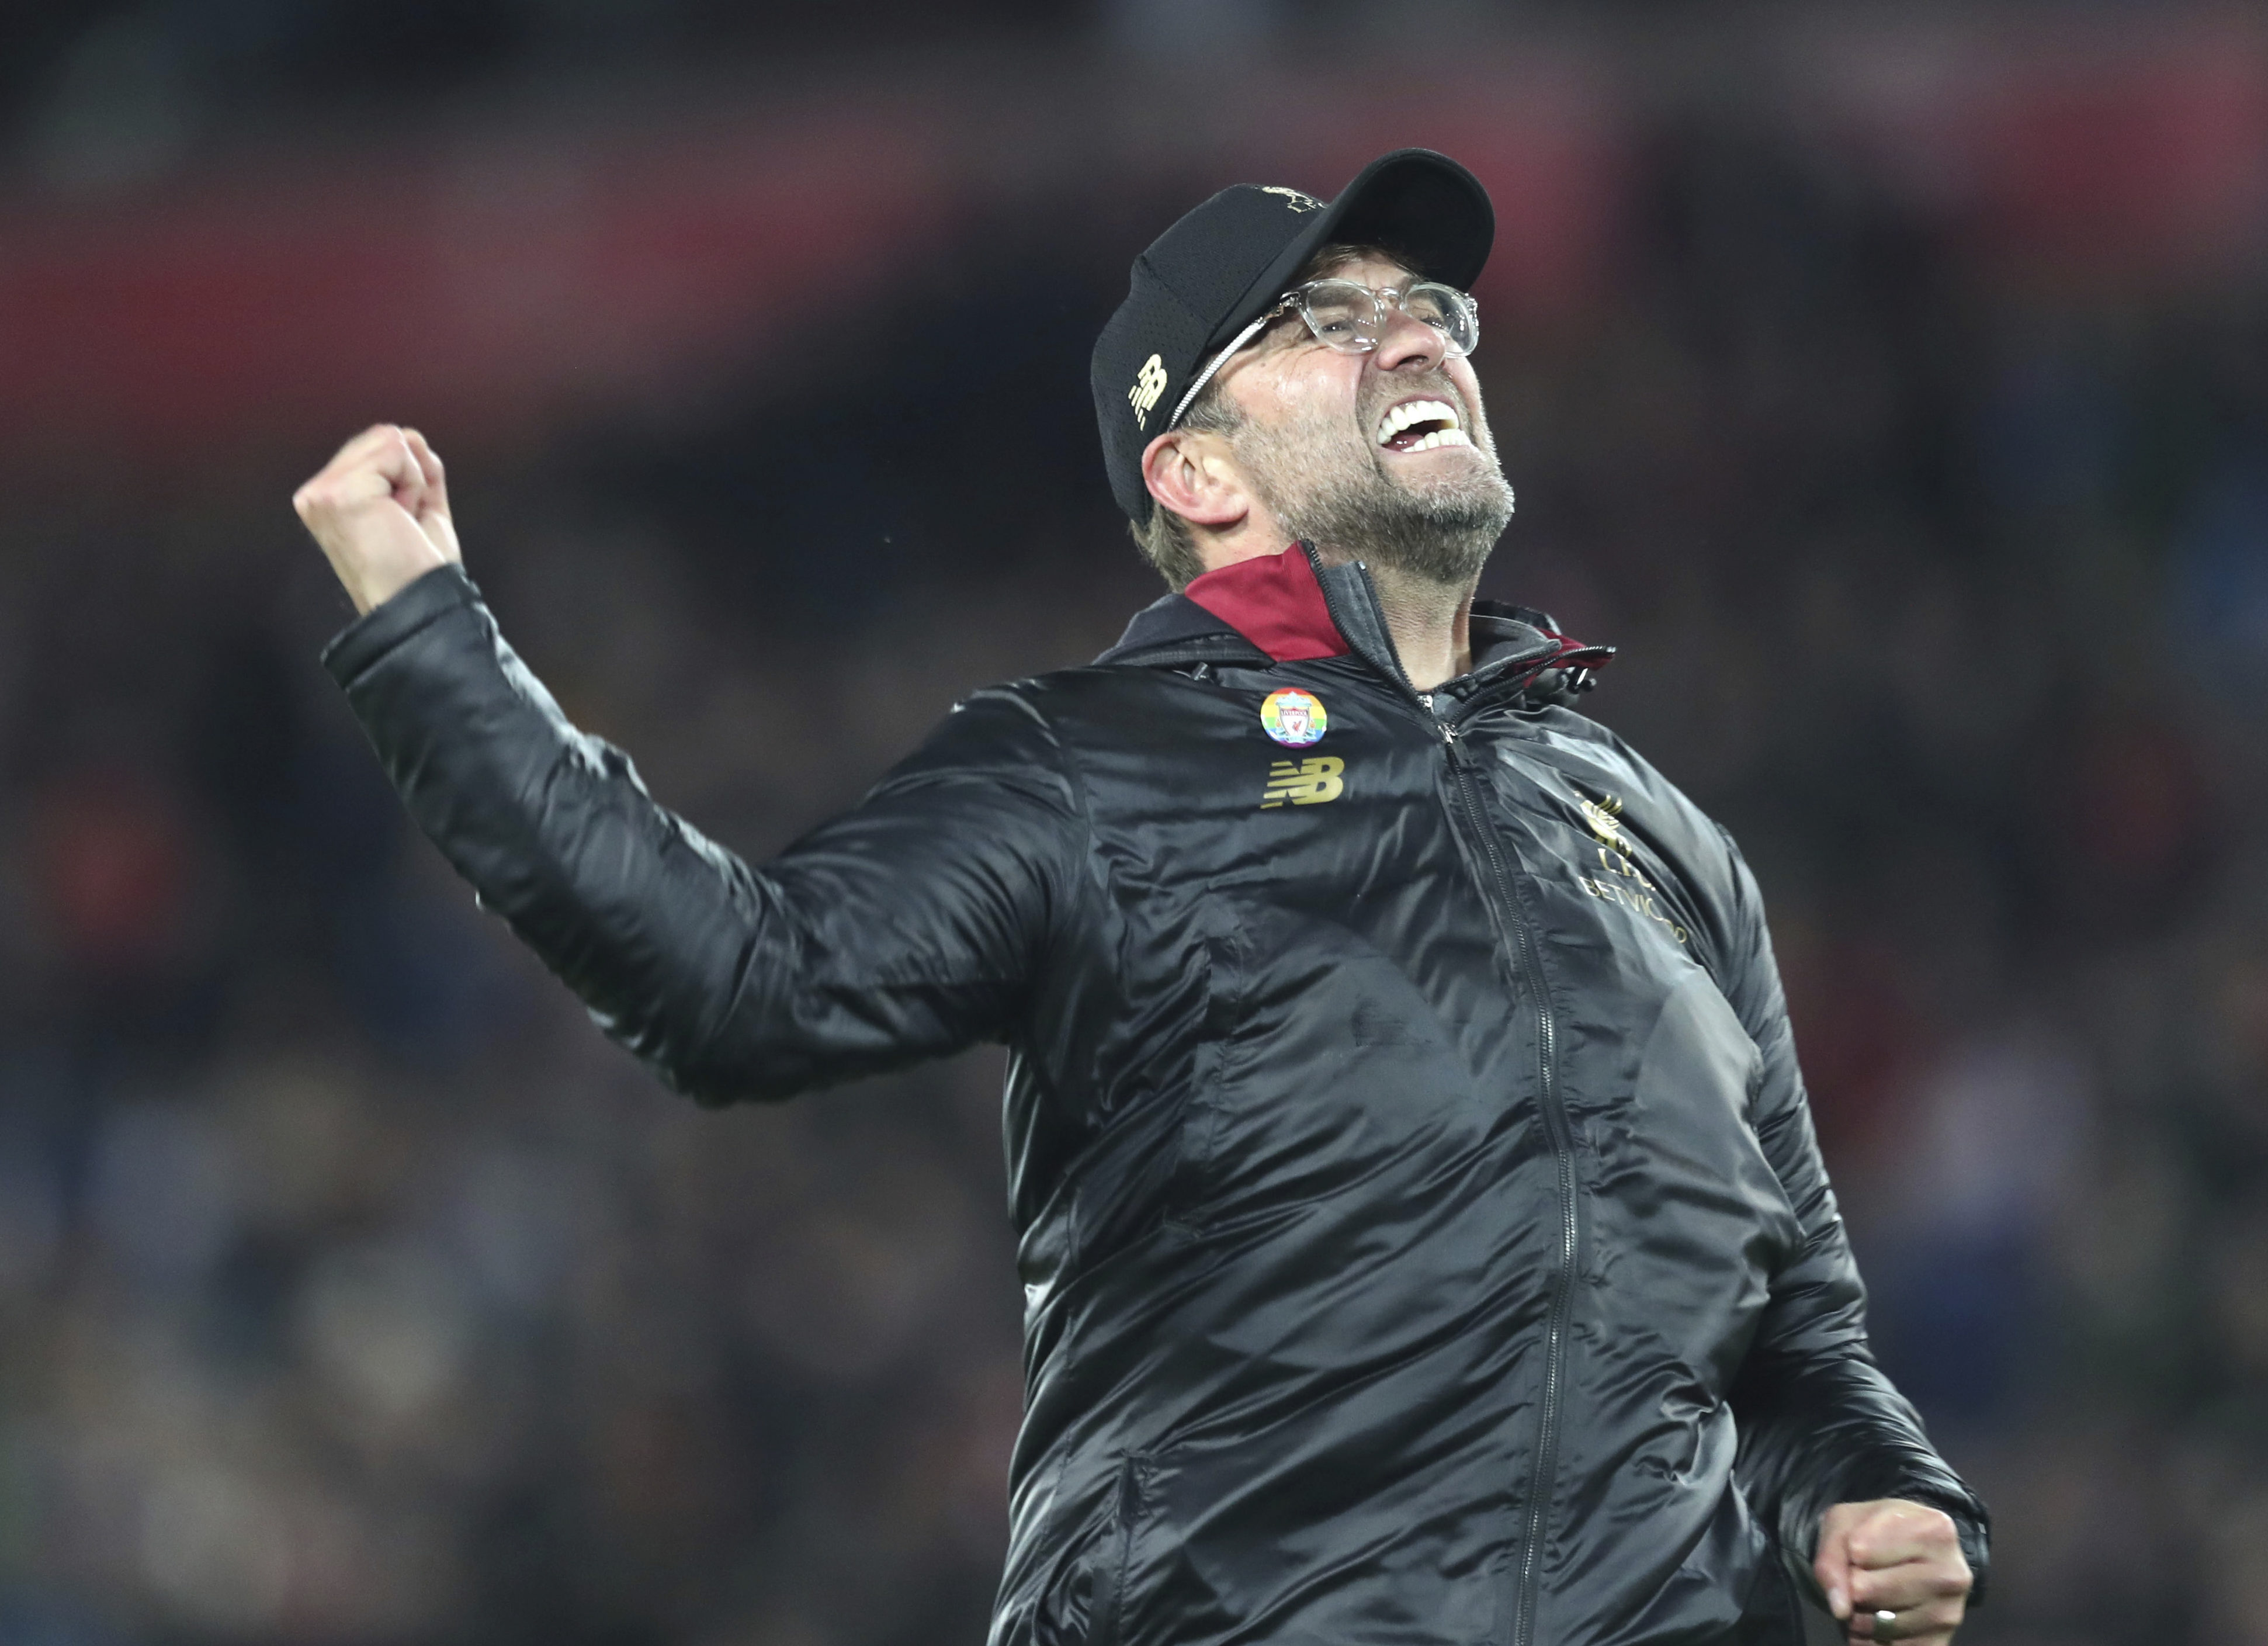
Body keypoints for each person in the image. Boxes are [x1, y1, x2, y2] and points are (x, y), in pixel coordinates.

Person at [292, 148, 1988, 1646]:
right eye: (1324, 320)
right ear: (1195, 473)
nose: (1413, 335)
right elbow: (742, 984)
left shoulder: (1658, 834)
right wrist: (428, 629)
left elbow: (1796, 1338)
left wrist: (1878, 1497)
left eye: (1431, 312)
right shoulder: (1081, 770)